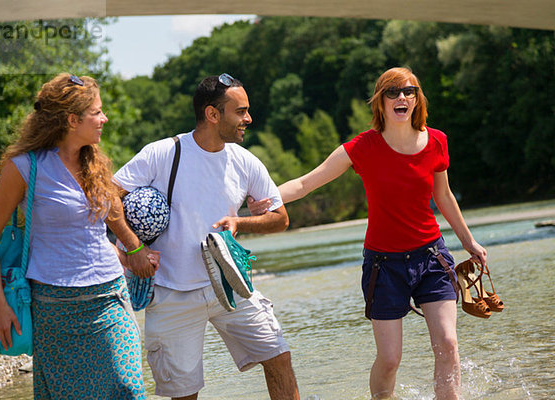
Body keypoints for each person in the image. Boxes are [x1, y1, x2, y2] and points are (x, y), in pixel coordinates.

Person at [249, 67, 487, 399]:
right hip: (384, 266)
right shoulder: (362, 147)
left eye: (409, 91)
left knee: (447, 344)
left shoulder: (436, 141)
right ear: (381, 101)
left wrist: (468, 241)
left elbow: (443, 195)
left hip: (432, 257)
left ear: (418, 98)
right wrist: (264, 200)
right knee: (390, 359)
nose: (401, 97)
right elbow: (306, 183)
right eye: (392, 92)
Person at [113, 73, 300, 400]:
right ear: (213, 115)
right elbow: (108, 197)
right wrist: (133, 249)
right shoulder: (162, 153)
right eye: (240, 111)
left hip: (232, 285)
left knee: (278, 356)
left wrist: (242, 222)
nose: (248, 119)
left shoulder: (245, 162)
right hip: (171, 294)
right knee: (185, 394)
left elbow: (280, 218)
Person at [0, 73, 159, 399]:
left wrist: (133, 250)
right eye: (97, 112)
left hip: (110, 298)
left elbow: (112, 213)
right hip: (55, 310)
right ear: (73, 119)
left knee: (129, 389)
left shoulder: (96, 162)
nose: (104, 119)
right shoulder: (24, 168)